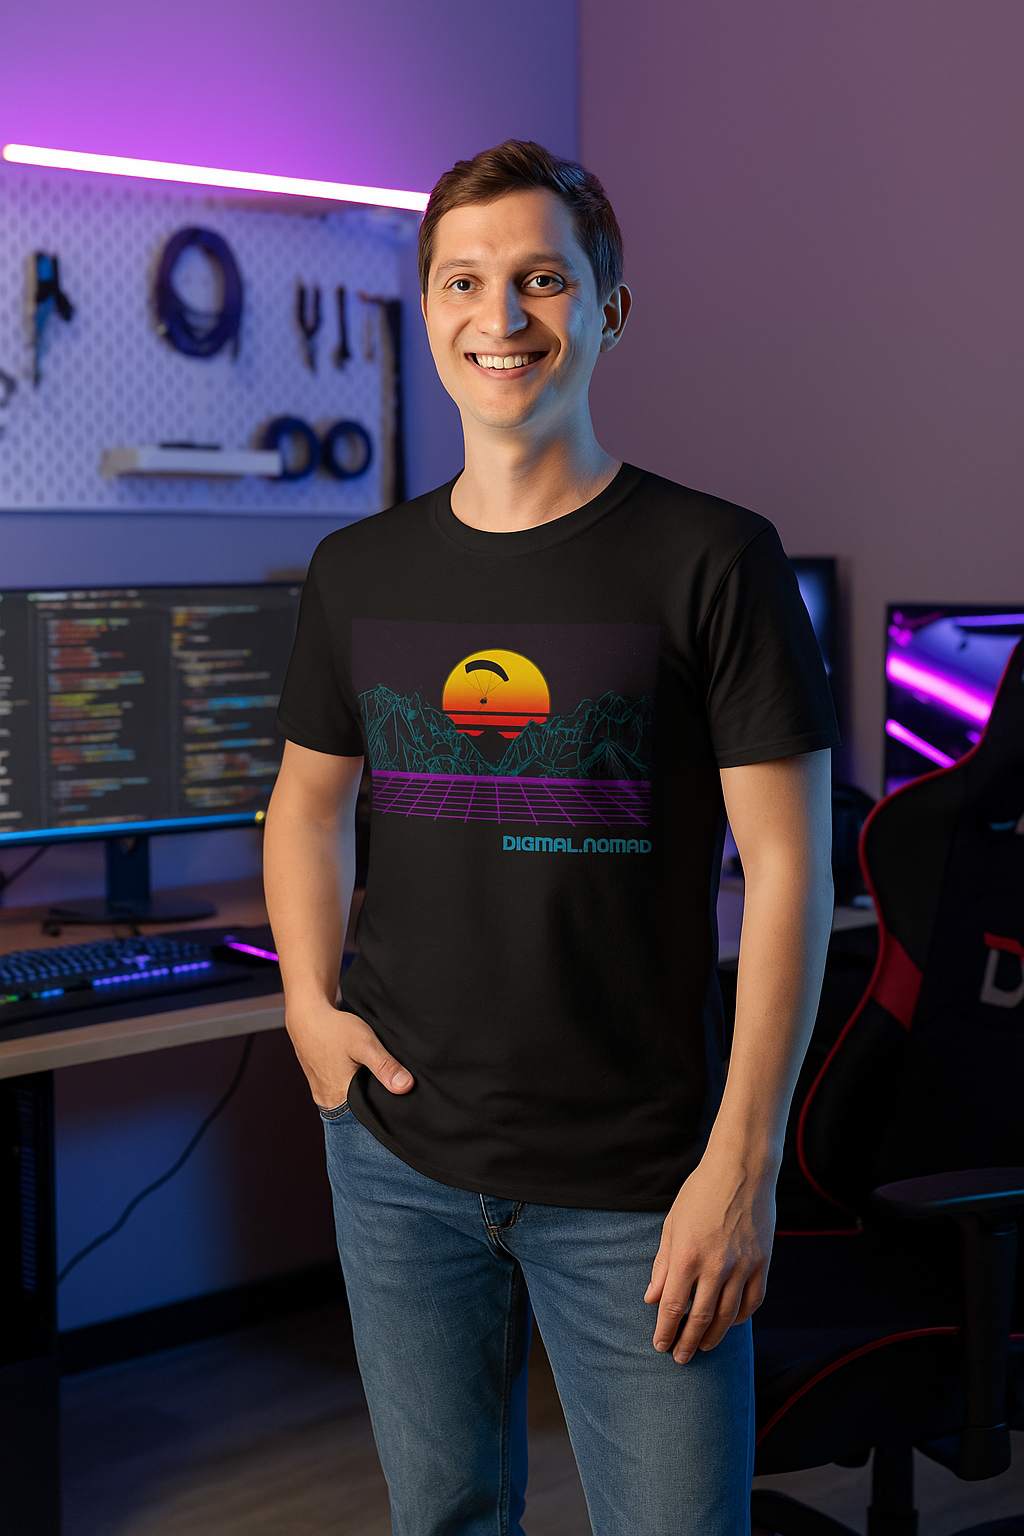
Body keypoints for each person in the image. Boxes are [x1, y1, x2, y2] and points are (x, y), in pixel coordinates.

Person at [265, 139, 838, 1536]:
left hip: (645, 1180)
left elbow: (789, 871)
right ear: (430, 310)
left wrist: (741, 1164)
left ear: (609, 308)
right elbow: (306, 804)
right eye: (464, 282)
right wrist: (306, 1012)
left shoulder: (715, 559)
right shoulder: (359, 569)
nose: (501, 318)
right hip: (399, 1161)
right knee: (446, 1519)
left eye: (541, 280)